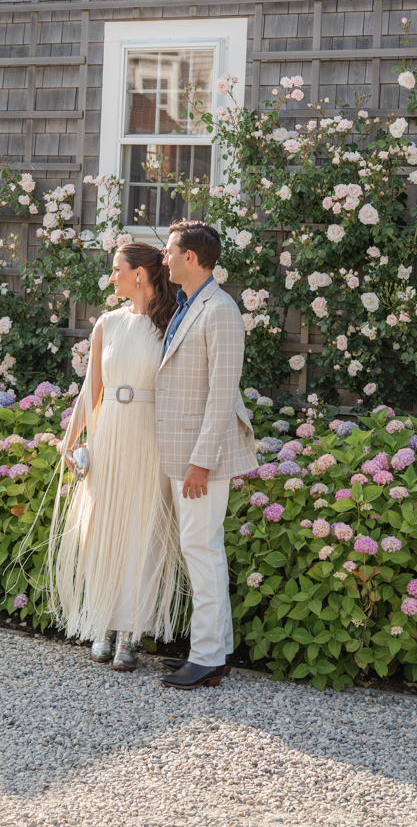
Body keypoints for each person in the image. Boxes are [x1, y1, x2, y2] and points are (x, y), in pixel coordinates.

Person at [48, 242, 186, 671]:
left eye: (116, 269)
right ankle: (103, 622)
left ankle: (131, 633)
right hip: (109, 433)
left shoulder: (172, 325)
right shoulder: (106, 324)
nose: (111, 278)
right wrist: (70, 441)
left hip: (150, 437)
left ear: (140, 275)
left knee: (143, 531)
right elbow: (91, 390)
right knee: (102, 527)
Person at [155, 220, 257, 691]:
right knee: (200, 550)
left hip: (202, 458)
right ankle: (213, 656)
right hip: (182, 452)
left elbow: (221, 395)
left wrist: (201, 461)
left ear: (191, 258)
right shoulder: (186, 304)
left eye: (170, 251)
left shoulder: (220, 310)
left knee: (203, 550)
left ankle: (207, 656)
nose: (164, 259)